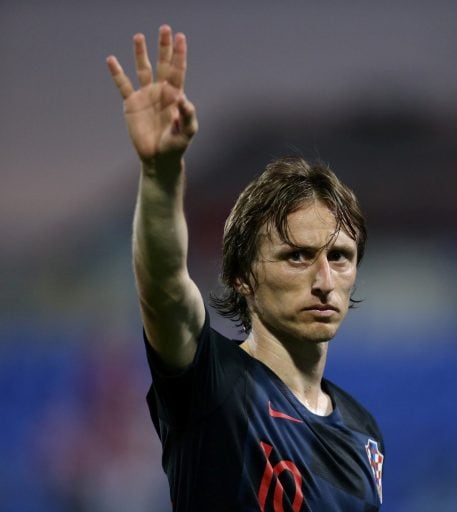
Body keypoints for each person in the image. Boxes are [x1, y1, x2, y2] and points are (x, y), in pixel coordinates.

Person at [106, 25, 384, 511]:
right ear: (241, 276)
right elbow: (165, 286)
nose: (323, 281)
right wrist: (160, 173)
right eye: (297, 255)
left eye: (339, 257)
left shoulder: (364, 431)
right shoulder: (213, 384)